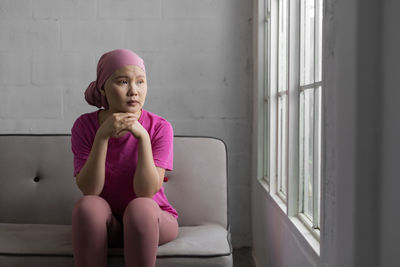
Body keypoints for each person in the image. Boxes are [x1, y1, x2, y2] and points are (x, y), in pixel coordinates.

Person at [70, 48, 178, 267]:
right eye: (122, 82)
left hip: (150, 220)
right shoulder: (84, 126)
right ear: (103, 87)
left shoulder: (160, 127)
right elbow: (90, 190)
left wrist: (143, 138)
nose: (134, 91)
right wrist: (102, 136)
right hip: (107, 225)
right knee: (87, 206)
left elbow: (146, 192)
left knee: (141, 208)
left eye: (140, 82)